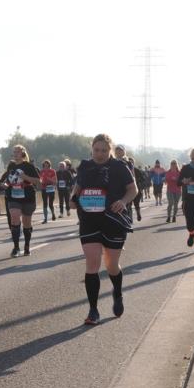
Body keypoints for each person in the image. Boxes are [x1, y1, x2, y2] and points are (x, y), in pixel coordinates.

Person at [69, 134, 138, 326]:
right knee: (92, 264)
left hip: (113, 220)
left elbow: (133, 190)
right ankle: (93, 310)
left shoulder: (119, 167)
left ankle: (117, 293)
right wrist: (73, 198)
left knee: (111, 266)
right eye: (96, 150)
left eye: (104, 150)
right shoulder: (85, 166)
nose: (99, 154)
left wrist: (123, 202)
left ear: (110, 150)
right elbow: (78, 186)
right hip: (89, 220)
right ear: (92, 149)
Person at [0, 145, 40, 257]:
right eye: (14, 152)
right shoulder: (11, 166)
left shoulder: (29, 166)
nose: (15, 154)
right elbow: (9, 180)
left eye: (17, 152)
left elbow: (37, 181)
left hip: (27, 196)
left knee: (27, 223)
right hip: (13, 196)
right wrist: (5, 185)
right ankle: (16, 247)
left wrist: (25, 176)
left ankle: (27, 246)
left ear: (22, 153)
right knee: (14, 216)